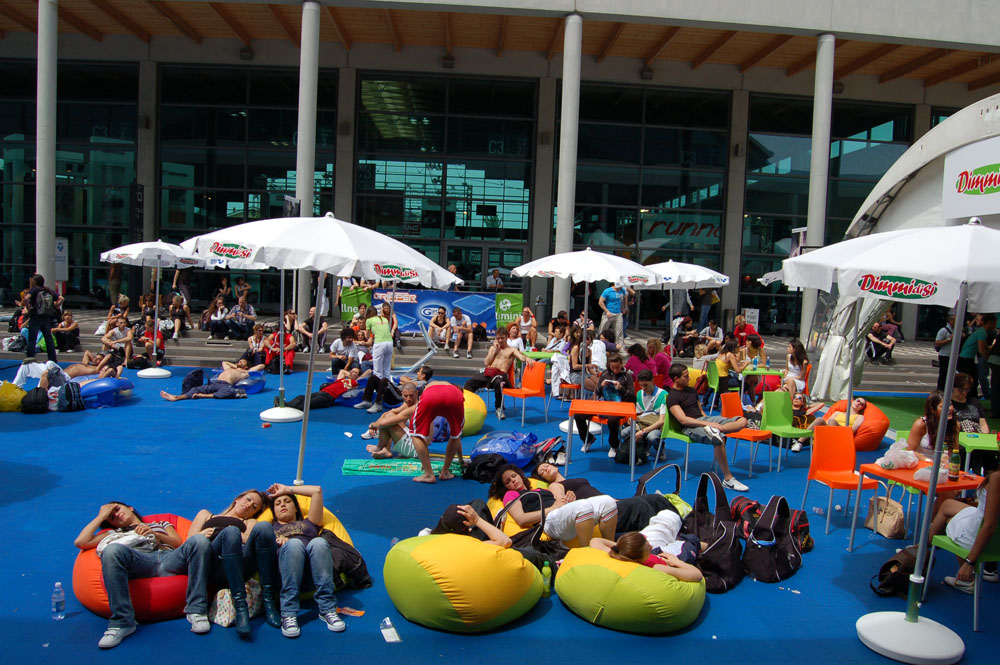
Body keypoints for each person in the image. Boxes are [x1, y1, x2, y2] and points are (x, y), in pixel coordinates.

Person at [74, 501, 213, 649]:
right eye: (112, 517)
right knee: (112, 550)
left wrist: (155, 534)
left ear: (130, 508)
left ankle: (197, 610)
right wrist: (102, 516)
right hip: (141, 561)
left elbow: (177, 542)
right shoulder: (114, 533)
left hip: (169, 558)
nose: (117, 515)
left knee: (199, 540)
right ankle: (122, 622)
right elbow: (81, 542)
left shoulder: (160, 524)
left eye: (117, 509)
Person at [189, 490, 279, 638]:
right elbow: (189, 542)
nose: (249, 505)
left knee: (263, 527)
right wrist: (201, 535)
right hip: (212, 562)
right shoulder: (206, 515)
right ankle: (240, 607)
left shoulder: (249, 522)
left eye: (254, 506)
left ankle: (268, 601)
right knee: (231, 532)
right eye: (248, 499)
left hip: (238, 564)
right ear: (238, 499)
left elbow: (249, 538)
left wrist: (228, 532)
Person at [265, 483, 347, 637]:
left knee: (319, 542)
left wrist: (287, 489)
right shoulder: (270, 529)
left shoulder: (308, 523)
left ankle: (327, 609)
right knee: (294, 544)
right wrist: (277, 540)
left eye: (287, 501)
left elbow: (317, 491)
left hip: (313, 571)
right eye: (278, 503)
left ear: (296, 508)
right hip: (286, 572)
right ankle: (288, 612)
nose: (282, 504)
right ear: (273, 511)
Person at [665, 363, 750, 491]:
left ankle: (716, 431)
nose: (689, 378)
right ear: (676, 379)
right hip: (691, 426)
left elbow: (700, 411)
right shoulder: (672, 397)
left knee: (742, 421)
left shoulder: (692, 390)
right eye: (686, 376)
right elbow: (683, 419)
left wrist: (710, 422)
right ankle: (728, 479)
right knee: (718, 439)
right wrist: (708, 424)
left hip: (704, 420)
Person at [489, 464, 618, 548]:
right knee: (583, 506)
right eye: (508, 481)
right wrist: (551, 509)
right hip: (548, 522)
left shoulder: (539, 490)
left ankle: (611, 546)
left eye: (514, 476)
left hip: (562, 515)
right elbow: (521, 519)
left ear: (520, 476)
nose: (513, 480)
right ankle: (587, 552)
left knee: (607, 502)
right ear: (505, 487)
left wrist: (569, 498)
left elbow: (559, 502)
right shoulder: (511, 494)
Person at [927, 469, 1000, 592]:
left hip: (978, 534)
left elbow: (989, 526)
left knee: (951, 520)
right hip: (985, 524)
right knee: (947, 505)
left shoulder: (997, 479)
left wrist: (969, 562)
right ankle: (924, 546)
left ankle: (966, 580)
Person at [463, 327, 535, 420]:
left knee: (498, 382)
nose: (500, 340)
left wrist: (527, 358)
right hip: (489, 373)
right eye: (498, 338)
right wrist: (494, 351)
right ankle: (468, 405)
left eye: (502, 338)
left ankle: (499, 408)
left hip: (501, 375)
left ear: (507, 337)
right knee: (469, 383)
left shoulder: (512, 350)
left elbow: (521, 356)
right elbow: (486, 363)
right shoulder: (493, 348)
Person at [404, 381, 466, 483]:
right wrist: (461, 460)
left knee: (415, 434)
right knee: (456, 434)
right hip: (454, 397)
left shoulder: (431, 388)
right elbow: (456, 437)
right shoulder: (455, 391)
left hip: (431, 396)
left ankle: (428, 474)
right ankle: (445, 472)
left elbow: (425, 436)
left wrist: (424, 460)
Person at [577, 353, 633, 458]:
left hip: (620, 407)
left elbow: (632, 397)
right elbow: (597, 393)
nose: (615, 370)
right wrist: (601, 386)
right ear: (609, 366)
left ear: (621, 364)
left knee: (612, 420)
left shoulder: (627, 376)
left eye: (617, 367)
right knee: (578, 415)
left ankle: (614, 445)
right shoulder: (605, 374)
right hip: (603, 404)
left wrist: (621, 389)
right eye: (612, 367)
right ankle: (588, 439)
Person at [590, 532, 704, 582]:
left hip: (655, 555)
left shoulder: (621, 554)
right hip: (672, 560)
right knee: (691, 541)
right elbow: (697, 575)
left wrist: (623, 548)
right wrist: (676, 561)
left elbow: (595, 541)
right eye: (648, 547)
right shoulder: (657, 568)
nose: (651, 546)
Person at [353, 303, 394, 413]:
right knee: (386, 369)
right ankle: (386, 389)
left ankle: (377, 394)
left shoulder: (369, 320)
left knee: (377, 370)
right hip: (389, 343)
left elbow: (367, 336)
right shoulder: (384, 319)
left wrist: (368, 334)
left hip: (379, 344)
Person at [364, 381, 421, 459]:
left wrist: (372, 425)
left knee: (389, 421)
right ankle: (386, 449)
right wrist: (377, 422)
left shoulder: (416, 407)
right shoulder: (408, 403)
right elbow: (390, 412)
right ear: (402, 394)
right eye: (406, 396)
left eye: (411, 396)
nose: (408, 399)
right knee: (389, 416)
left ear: (417, 393)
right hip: (413, 439)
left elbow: (384, 423)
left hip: (415, 450)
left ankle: (380, 447)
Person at [624, 369, 669, 462]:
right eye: (641, 385)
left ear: (652, 381)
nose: (643, 388)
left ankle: (660, 448)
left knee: (652, 437)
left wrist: (643, 431)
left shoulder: (663, 395)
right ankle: (644, 446)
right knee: (623, 433)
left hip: (657, 425)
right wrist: (632, 419)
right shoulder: (639, 394)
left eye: (646, 385)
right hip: (643, 423)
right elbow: (639, 413)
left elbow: (662, 421)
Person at [794, 396, 868, 452]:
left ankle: (830, 445)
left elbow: (852, 430)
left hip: (843, 432)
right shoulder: (837, 413)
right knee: (820, 419)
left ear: (862, 408)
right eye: (858, 401)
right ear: (853, 401)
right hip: (830, 430)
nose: (859, 403)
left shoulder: (859, 417)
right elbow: (827, 423)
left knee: (832, 421)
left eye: (861, 404)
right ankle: (800, 442)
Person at [905, 391, 959, 461]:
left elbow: (954, 453)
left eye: (950, 404)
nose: (949, 408)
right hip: (922, 464)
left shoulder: (955, 425)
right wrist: (929, 461)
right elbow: (909, 451)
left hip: (943, 465)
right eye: (943, 406)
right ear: (933, 410)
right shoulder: (921, 424)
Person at [284, 367, 370, 411]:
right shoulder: (341, 379)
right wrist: (350, 374)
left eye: (354, 372)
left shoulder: (355, 382)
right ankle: (287, 405)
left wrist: (357, 377)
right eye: (351, 371)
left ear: (358, 375)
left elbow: (368, 371)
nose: (351, 372)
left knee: (307, 403)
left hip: (328, 397)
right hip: (322, 392)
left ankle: (287, 407)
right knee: (301, 397)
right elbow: (342, 371)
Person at [429, 503, 512, 548]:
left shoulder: (426, 535)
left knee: (476, 505)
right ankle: (495, 528)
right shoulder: (469, 546)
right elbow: (505, 541)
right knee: (479, 505)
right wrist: (477, 520)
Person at [23, 273, 62, 364]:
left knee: (32, 339)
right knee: (48, 339)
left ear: (35, 282)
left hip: (35, 317)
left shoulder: (34, 290)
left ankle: (30, 358)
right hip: (46, 317)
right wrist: (56, 306)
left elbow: (26, 299)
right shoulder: (48, 290)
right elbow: (61, 298)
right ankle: (52, 359)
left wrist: (29, 308)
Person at [159, 363, 252, 401]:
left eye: (242, 362)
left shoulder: (245, 372)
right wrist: (235, 366)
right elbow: (224, 362)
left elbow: (258, 368)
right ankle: (177, 397)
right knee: (196, 389)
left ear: (246, 366)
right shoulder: (229, 368)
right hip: (215, 383)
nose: (240, 362)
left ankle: (202, 395)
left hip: (226, 385)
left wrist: (244, 369)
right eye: (239, 361)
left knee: (229, 392)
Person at [958, 313, 996, 398]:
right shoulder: (982, 333)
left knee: (972, 380)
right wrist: (989, 360)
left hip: (966, 358)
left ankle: (972, 399)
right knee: (971, 381)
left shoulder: (981, 331)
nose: (995, 325)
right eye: (994, 323)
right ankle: (970, 399)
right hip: (966, 359)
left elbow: (986, 347)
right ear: (989, 323)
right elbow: (981, 350)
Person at [598, 283, 627, 349]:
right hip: (609, 313)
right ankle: (599, 345)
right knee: (603, 330)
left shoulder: (622, 290)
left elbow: (625, 298)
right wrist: (606, 311)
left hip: (618, 313)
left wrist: (625, 308)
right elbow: (600, 302)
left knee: (619, 332)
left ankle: (620, 347)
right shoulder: (607, 291)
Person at [935, 313, 958, 391]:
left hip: (952, 355)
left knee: (951, 373)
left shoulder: (956, 330)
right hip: (944, 355)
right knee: (943, 373)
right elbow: (937, 343)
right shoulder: (943, 330)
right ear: (951, 321)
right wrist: (949, 339)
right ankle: (940, 389)